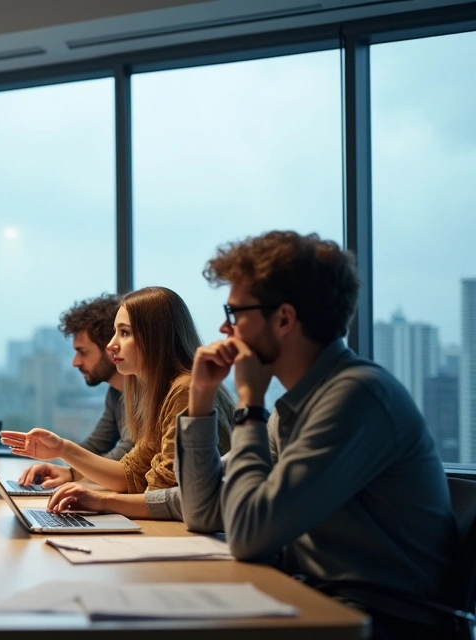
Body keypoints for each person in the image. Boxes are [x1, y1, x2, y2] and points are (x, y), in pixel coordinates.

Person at [177, 231, 456, 637]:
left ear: (285, 318)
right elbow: (203, 513)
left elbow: (248, 536)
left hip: (380, 621)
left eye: (235, 313)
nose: (224, 327)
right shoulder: (298, 405)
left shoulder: (356, 396)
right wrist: (201, 399)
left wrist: (250, 403)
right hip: (317, 601)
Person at [1, 287, 234, 520]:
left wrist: (102, 501)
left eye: (124, 332)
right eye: (115, 332)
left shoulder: (184, 389)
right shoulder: (158, 392)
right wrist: (62, 448)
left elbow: (162, 493)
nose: (112, 344)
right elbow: (129, 473)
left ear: (156, 337)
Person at [17, 294, 134, 489]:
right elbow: (95, 447)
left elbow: (128, 455)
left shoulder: (146, 393)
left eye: (83, 352)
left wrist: (72, 473)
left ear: (111, 348)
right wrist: (55, 465)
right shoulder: (115, 393)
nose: (75, 362)